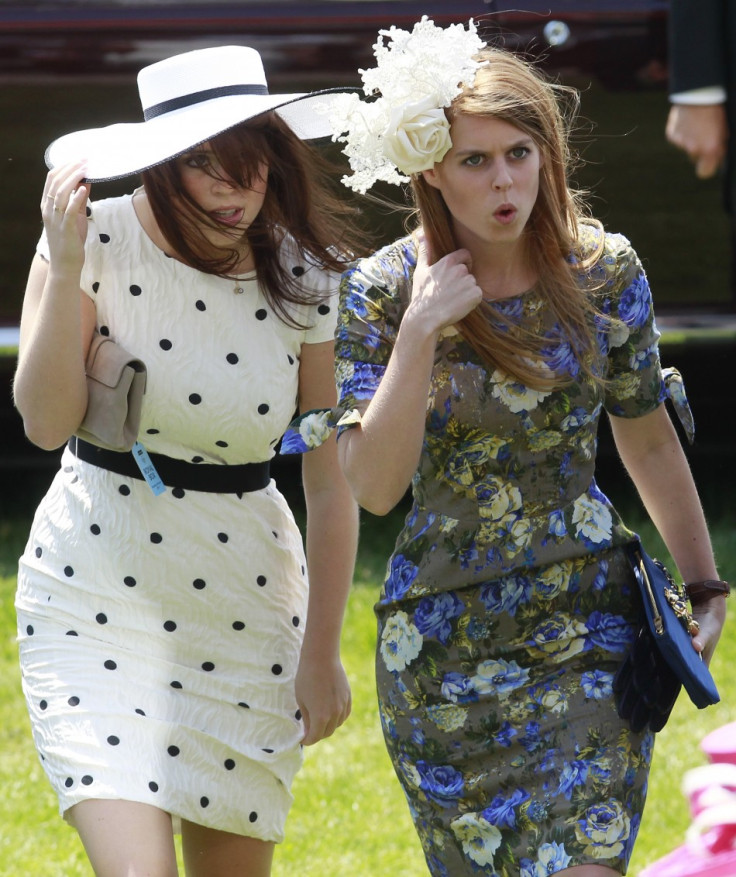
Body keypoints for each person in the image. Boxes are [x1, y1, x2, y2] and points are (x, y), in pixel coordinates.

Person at [286, 17, 728, 877]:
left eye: (519, 153)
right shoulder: (380, 292)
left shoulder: (605, 269)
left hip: (588, 623)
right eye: (474, 161)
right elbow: (375, 487)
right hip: (443, 643)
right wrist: (418, 334)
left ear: (548, 153)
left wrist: (704, 584)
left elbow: (645, 435)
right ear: (431, 173)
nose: (504, 181)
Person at [12, 45, 361, 876]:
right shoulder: (91, 236)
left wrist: (322, 651)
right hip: (93, 582)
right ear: (164, 162)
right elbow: (44, 421)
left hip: (245, 600)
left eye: (254, 165)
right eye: (210, 164)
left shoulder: (305, 275)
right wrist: (64, 271)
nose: (236, 191)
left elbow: (328, 473)